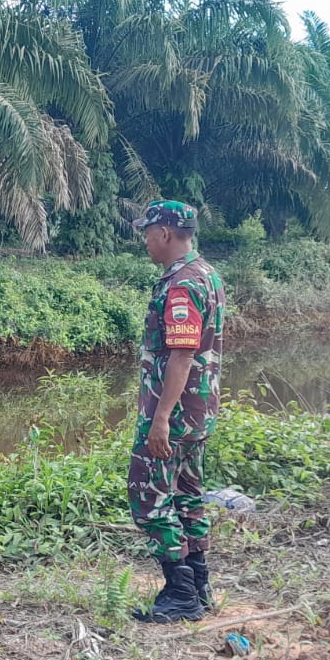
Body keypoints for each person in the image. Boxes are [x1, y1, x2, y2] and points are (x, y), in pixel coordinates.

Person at [129, 199, 225, 622]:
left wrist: (161, 418)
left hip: (177, 412)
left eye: (148, 233)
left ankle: (180, 592)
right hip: (200, 410)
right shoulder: (208, 274)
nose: (145, 242)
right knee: (188, 494)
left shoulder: (182, 284)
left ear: (165, 233)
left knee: (149, 496)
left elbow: (182, 355)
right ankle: (199, 587)